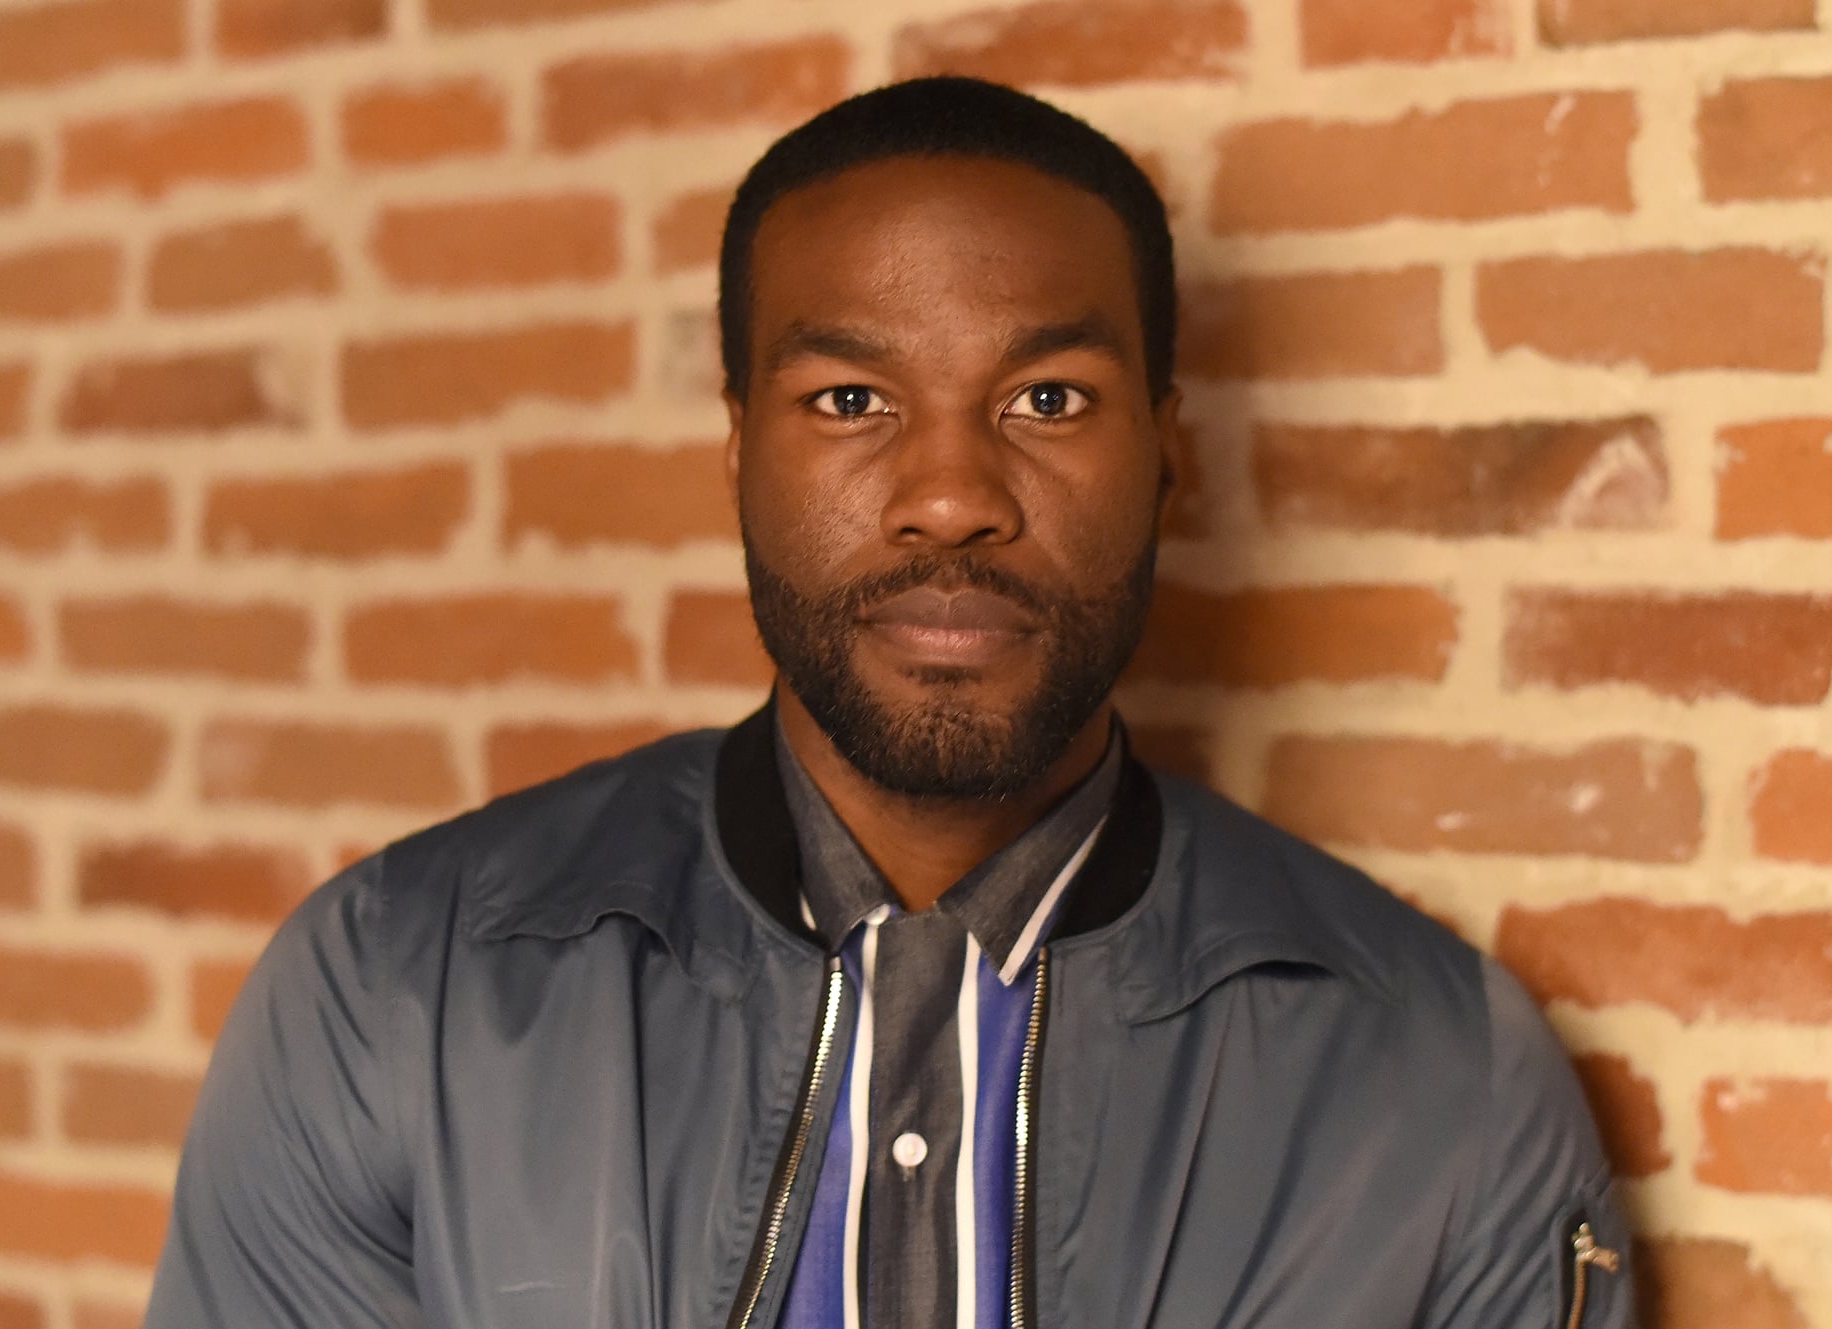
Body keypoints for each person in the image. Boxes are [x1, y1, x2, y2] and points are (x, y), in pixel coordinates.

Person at [144, 76, 1635, 1329]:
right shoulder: (394, 996)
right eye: (850, 400)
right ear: (739, 447)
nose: (947, 497)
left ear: (1166, 449)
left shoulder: (1443, 1078)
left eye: (1045, 398)